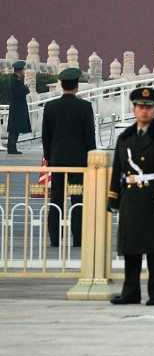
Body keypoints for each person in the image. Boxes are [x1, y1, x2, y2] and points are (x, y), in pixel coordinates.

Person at [108, 87, 154, 306]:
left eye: (148, 107)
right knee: (131, 248)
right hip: (131, 198)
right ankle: (131, 291)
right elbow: (117, 169)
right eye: (140, 107)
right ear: (134, 109)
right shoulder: (125, 137)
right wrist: (113, 198)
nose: (144, 111)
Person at [42, 67, 96, 247]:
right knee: (77, 199)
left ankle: (55, 238)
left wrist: (49, 157)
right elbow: (89, 136)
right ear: (77, 86)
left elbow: (46, 136)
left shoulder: (50, 106)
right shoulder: (85, 107)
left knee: (56, 199)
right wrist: (92, 158)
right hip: (78, 164)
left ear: (62, 85)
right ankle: (78, 238)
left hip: (57, 162)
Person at [6, 60, 31, 154]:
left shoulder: (13, 80)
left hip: (14, 105)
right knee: (14, 128)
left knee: (13, 128)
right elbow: (22, 92)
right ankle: (12, 148)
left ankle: (11, 147)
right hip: (17, 107)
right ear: (20, 70)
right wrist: (26, 88)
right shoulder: (16, 81)